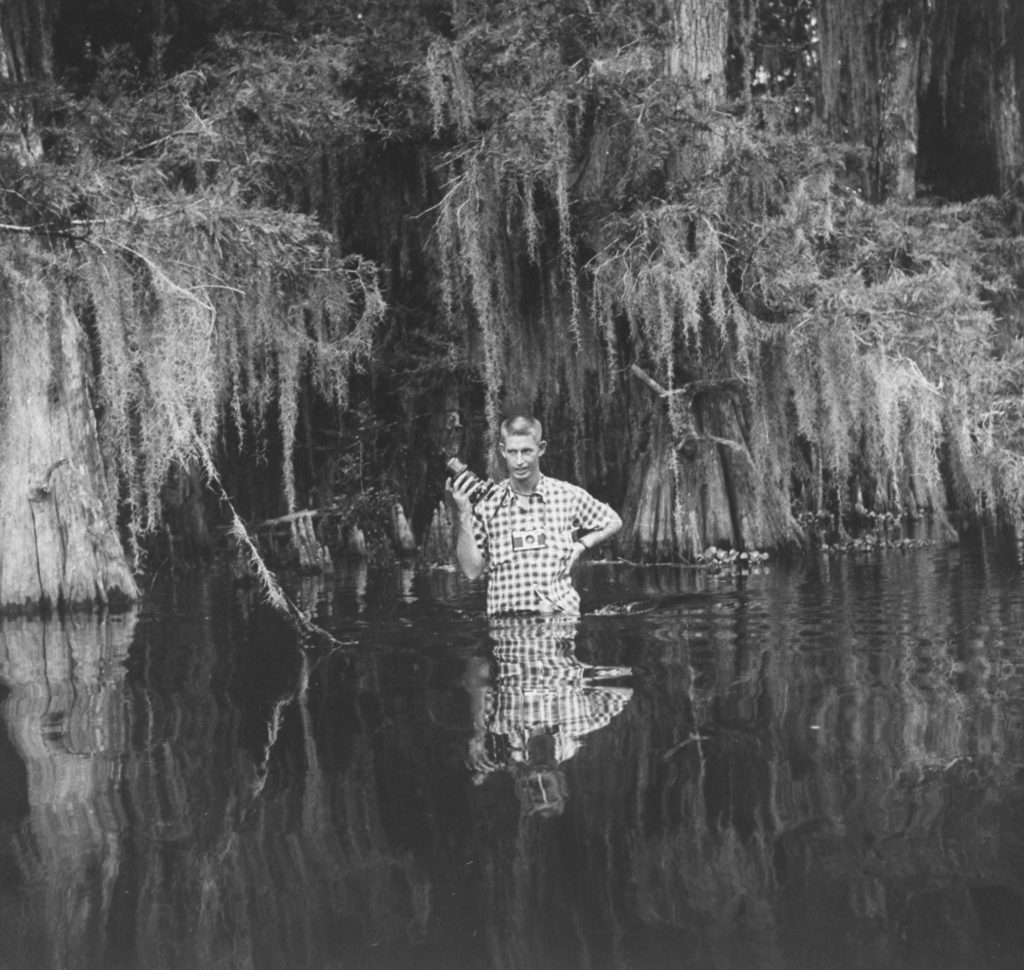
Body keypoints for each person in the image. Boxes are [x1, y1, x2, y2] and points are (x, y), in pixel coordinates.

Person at [447, 414, 622, 615]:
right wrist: (464, 513)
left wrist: (581, 545)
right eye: (512, 452)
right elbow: (471, 571)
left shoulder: (567, 495)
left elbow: (613, 521)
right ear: (503, 451)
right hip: (508, 630)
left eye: (526, 451)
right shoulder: (488, 504)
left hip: (559, 625)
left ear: (541, 449)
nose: (519, 461)